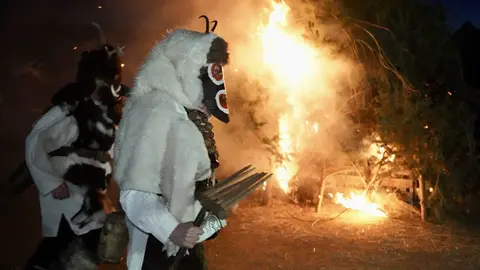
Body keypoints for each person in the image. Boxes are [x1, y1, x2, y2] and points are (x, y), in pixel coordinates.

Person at [114, 17, 230, 270]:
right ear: (187, 69)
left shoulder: (185, 111)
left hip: (187, 244)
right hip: (158, 251)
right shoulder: (153, 109)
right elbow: (135, 191)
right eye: (208, 70)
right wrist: (172, 229)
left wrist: (208, 217)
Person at [24, 29, 128, 269]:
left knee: (76, 250)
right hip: (68, 195)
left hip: (93, 199)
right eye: (109, 80)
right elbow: (36, 141)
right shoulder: (75, 115)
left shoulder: (108, 117)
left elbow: (114, 156)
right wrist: (51, 182)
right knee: (63, 252)